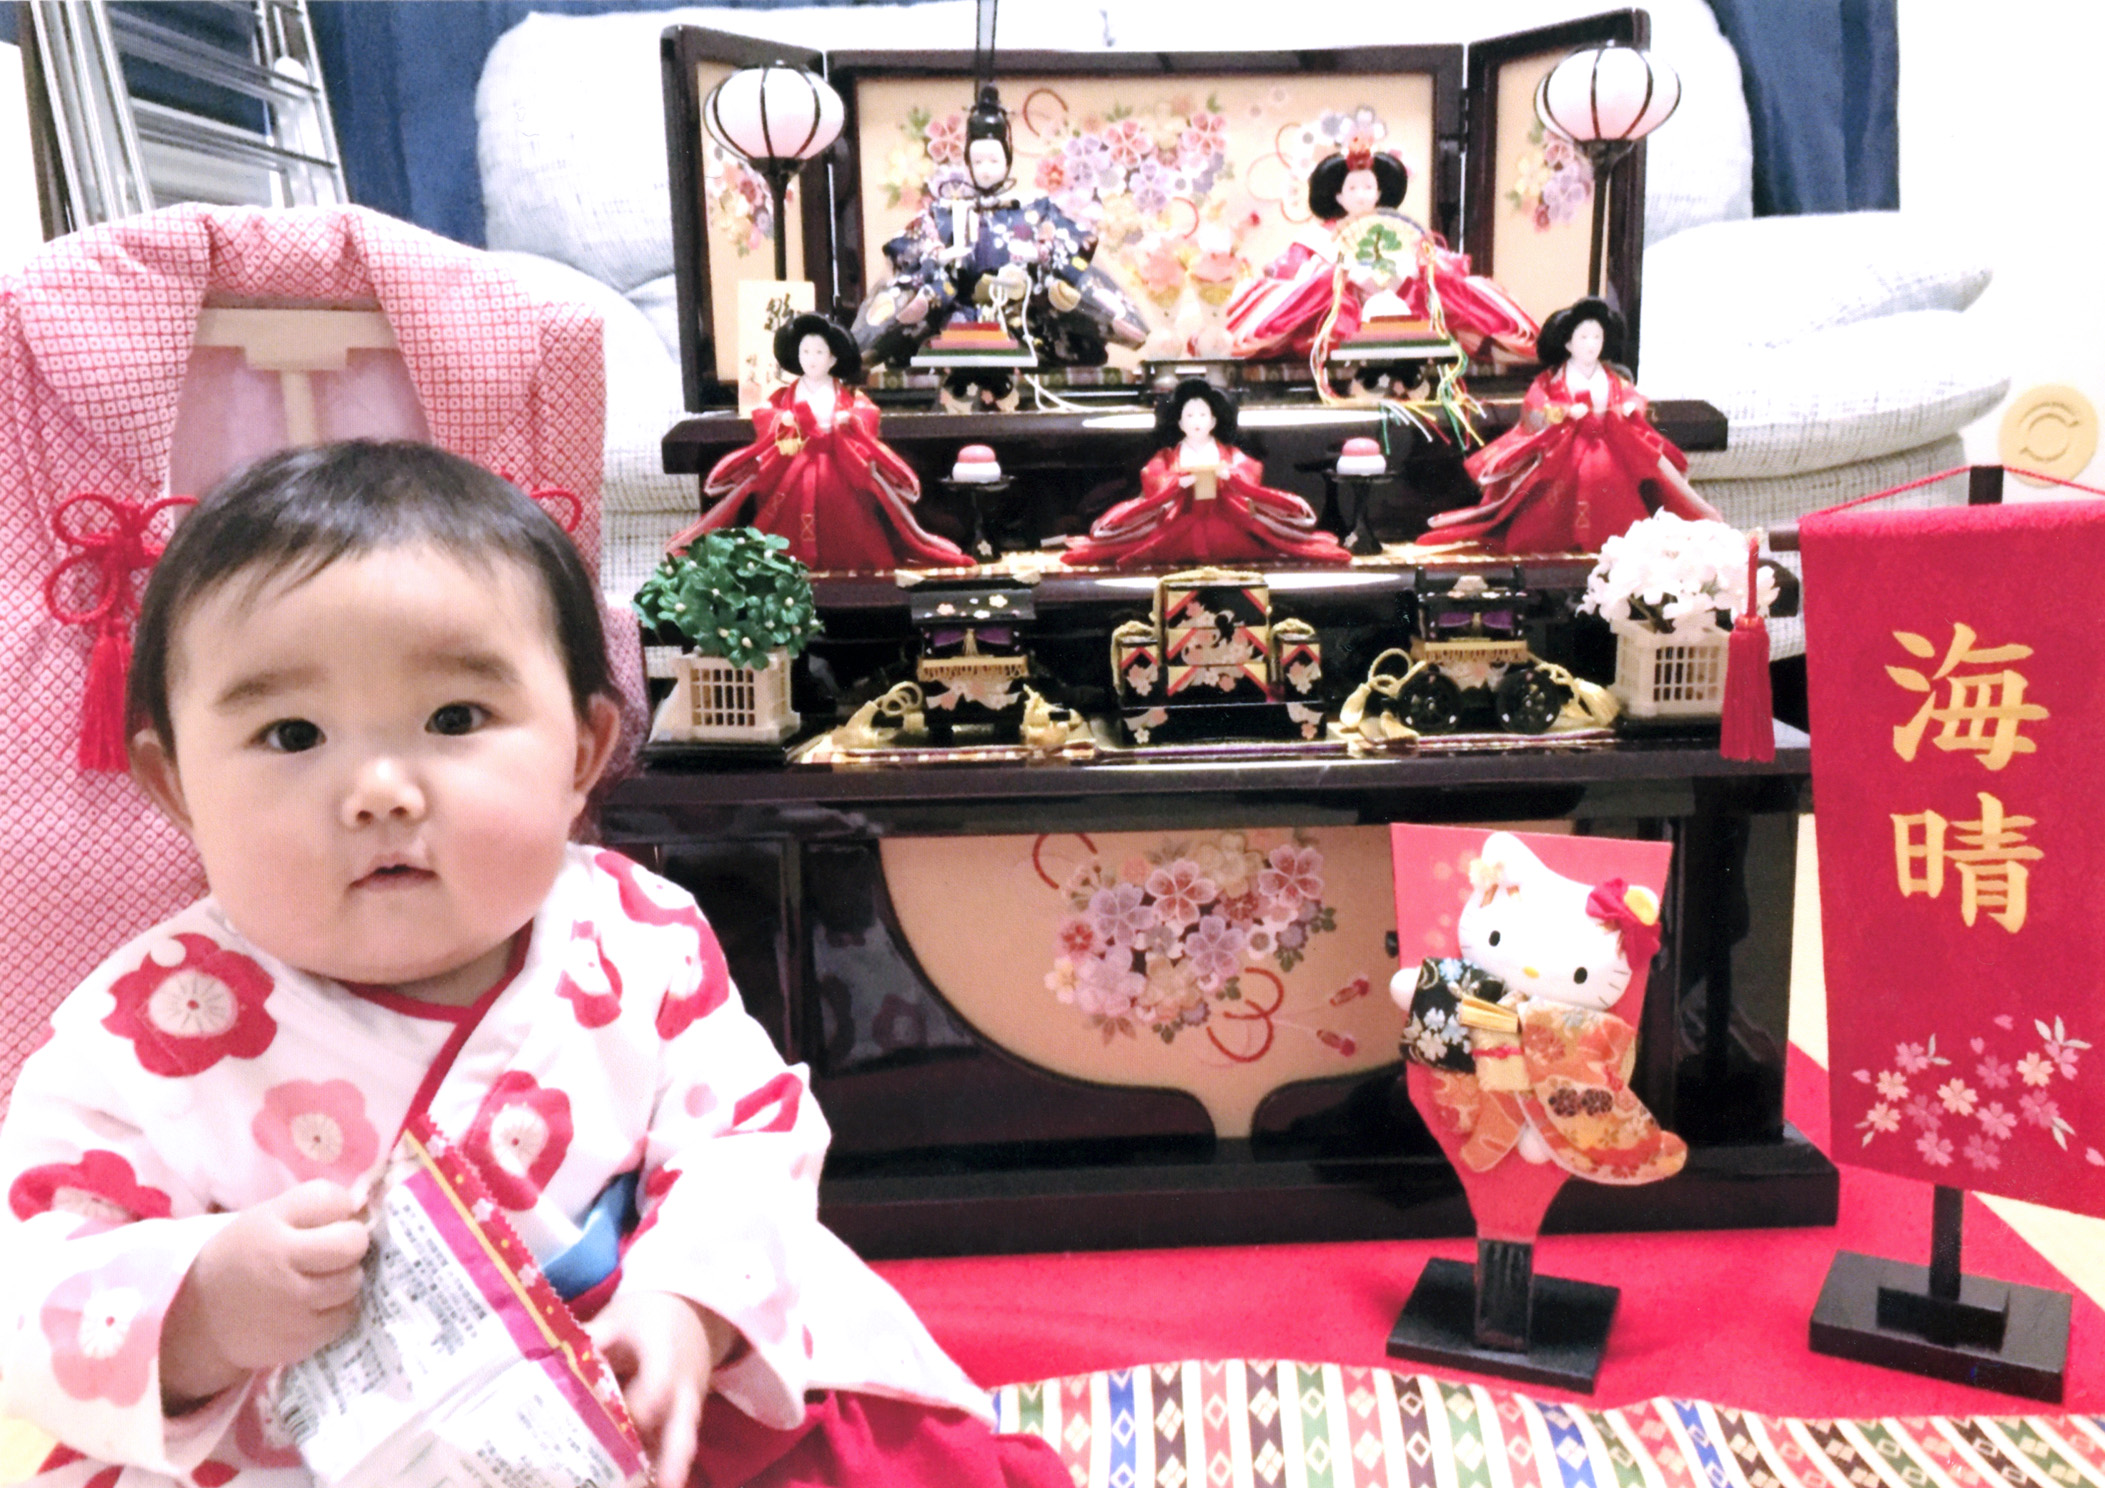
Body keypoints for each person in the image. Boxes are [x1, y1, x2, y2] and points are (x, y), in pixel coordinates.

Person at [0, 441, 1068, 1488]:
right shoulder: (142, 1034)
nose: (379, 791)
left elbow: (747, 1135)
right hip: (323, 1447)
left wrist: (687, 1304)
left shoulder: (633, 929)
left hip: (642, 1394)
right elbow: (34, 1281)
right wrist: (199, 1309)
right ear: (174, 783)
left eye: (454, 718)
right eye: (291, 735)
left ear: (583, 752)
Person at [850, 85, 1147, 369]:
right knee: (918, 283)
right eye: (978, 161)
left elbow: (1068, 242)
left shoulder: (1034, 210)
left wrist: (1039, 254)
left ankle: (1113, 316)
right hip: (955, 311)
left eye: (993, 160)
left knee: (1063, 279)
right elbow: (908, 250)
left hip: (1024, 315)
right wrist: (938, 256)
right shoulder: (944, 212)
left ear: (1007, 161)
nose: (986, 169)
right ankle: (861, 346)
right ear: (968, 163)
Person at [1426, 297, 1722, 554]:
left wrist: (1630, 408)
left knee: (1646, 473)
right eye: (1584, 338)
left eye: (1597, 338)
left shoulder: (1613, 378)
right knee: (1546, 500)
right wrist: (1566, 411)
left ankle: (1688, 517)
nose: (1591, 344)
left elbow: (1632, 397)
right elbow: (1535, 408)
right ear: (1568, 343)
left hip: (1613, 440)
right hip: (1566, 446)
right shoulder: (1552, 380)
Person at [683, 313, 971, 572]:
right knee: (782, 522)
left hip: (838, 464)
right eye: (805, 351)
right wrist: (784, 421)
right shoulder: (785, 395)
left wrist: (848, 421)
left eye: (819, 352)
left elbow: (866, 414)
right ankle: (779, 564)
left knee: (850, 519)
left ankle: (857, 564)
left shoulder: (847, 395)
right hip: (793, 464)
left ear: (833, 359)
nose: (811, 358)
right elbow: (767, 415)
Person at [1225, 141, 1538, 368]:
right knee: (1314, 287)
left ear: (1379, 192)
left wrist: (1411, 271)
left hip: (1400, 308)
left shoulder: (1404, 232)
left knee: (1447, 285)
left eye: (1368, 188)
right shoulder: (1317, 239)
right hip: (1338, 316)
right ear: (1338, 195)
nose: (1361, 195)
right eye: (1353, 189)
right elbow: (1294, 277)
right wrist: (1342, 277)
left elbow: (1439, 267)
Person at [1062, 379, 1352, 567]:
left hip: (1227, 520)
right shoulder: (1168, 455)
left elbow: (1249, 472)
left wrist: (1230, 478)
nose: (1196, 421)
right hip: (1178, 524)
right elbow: (1155, 477)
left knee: (1265, 541)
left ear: (1214, 420)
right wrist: (1179, 483)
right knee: (1134, 540)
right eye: (1189, 415)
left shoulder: (1231, 454)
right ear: (1179, 422)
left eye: (1203, 415)